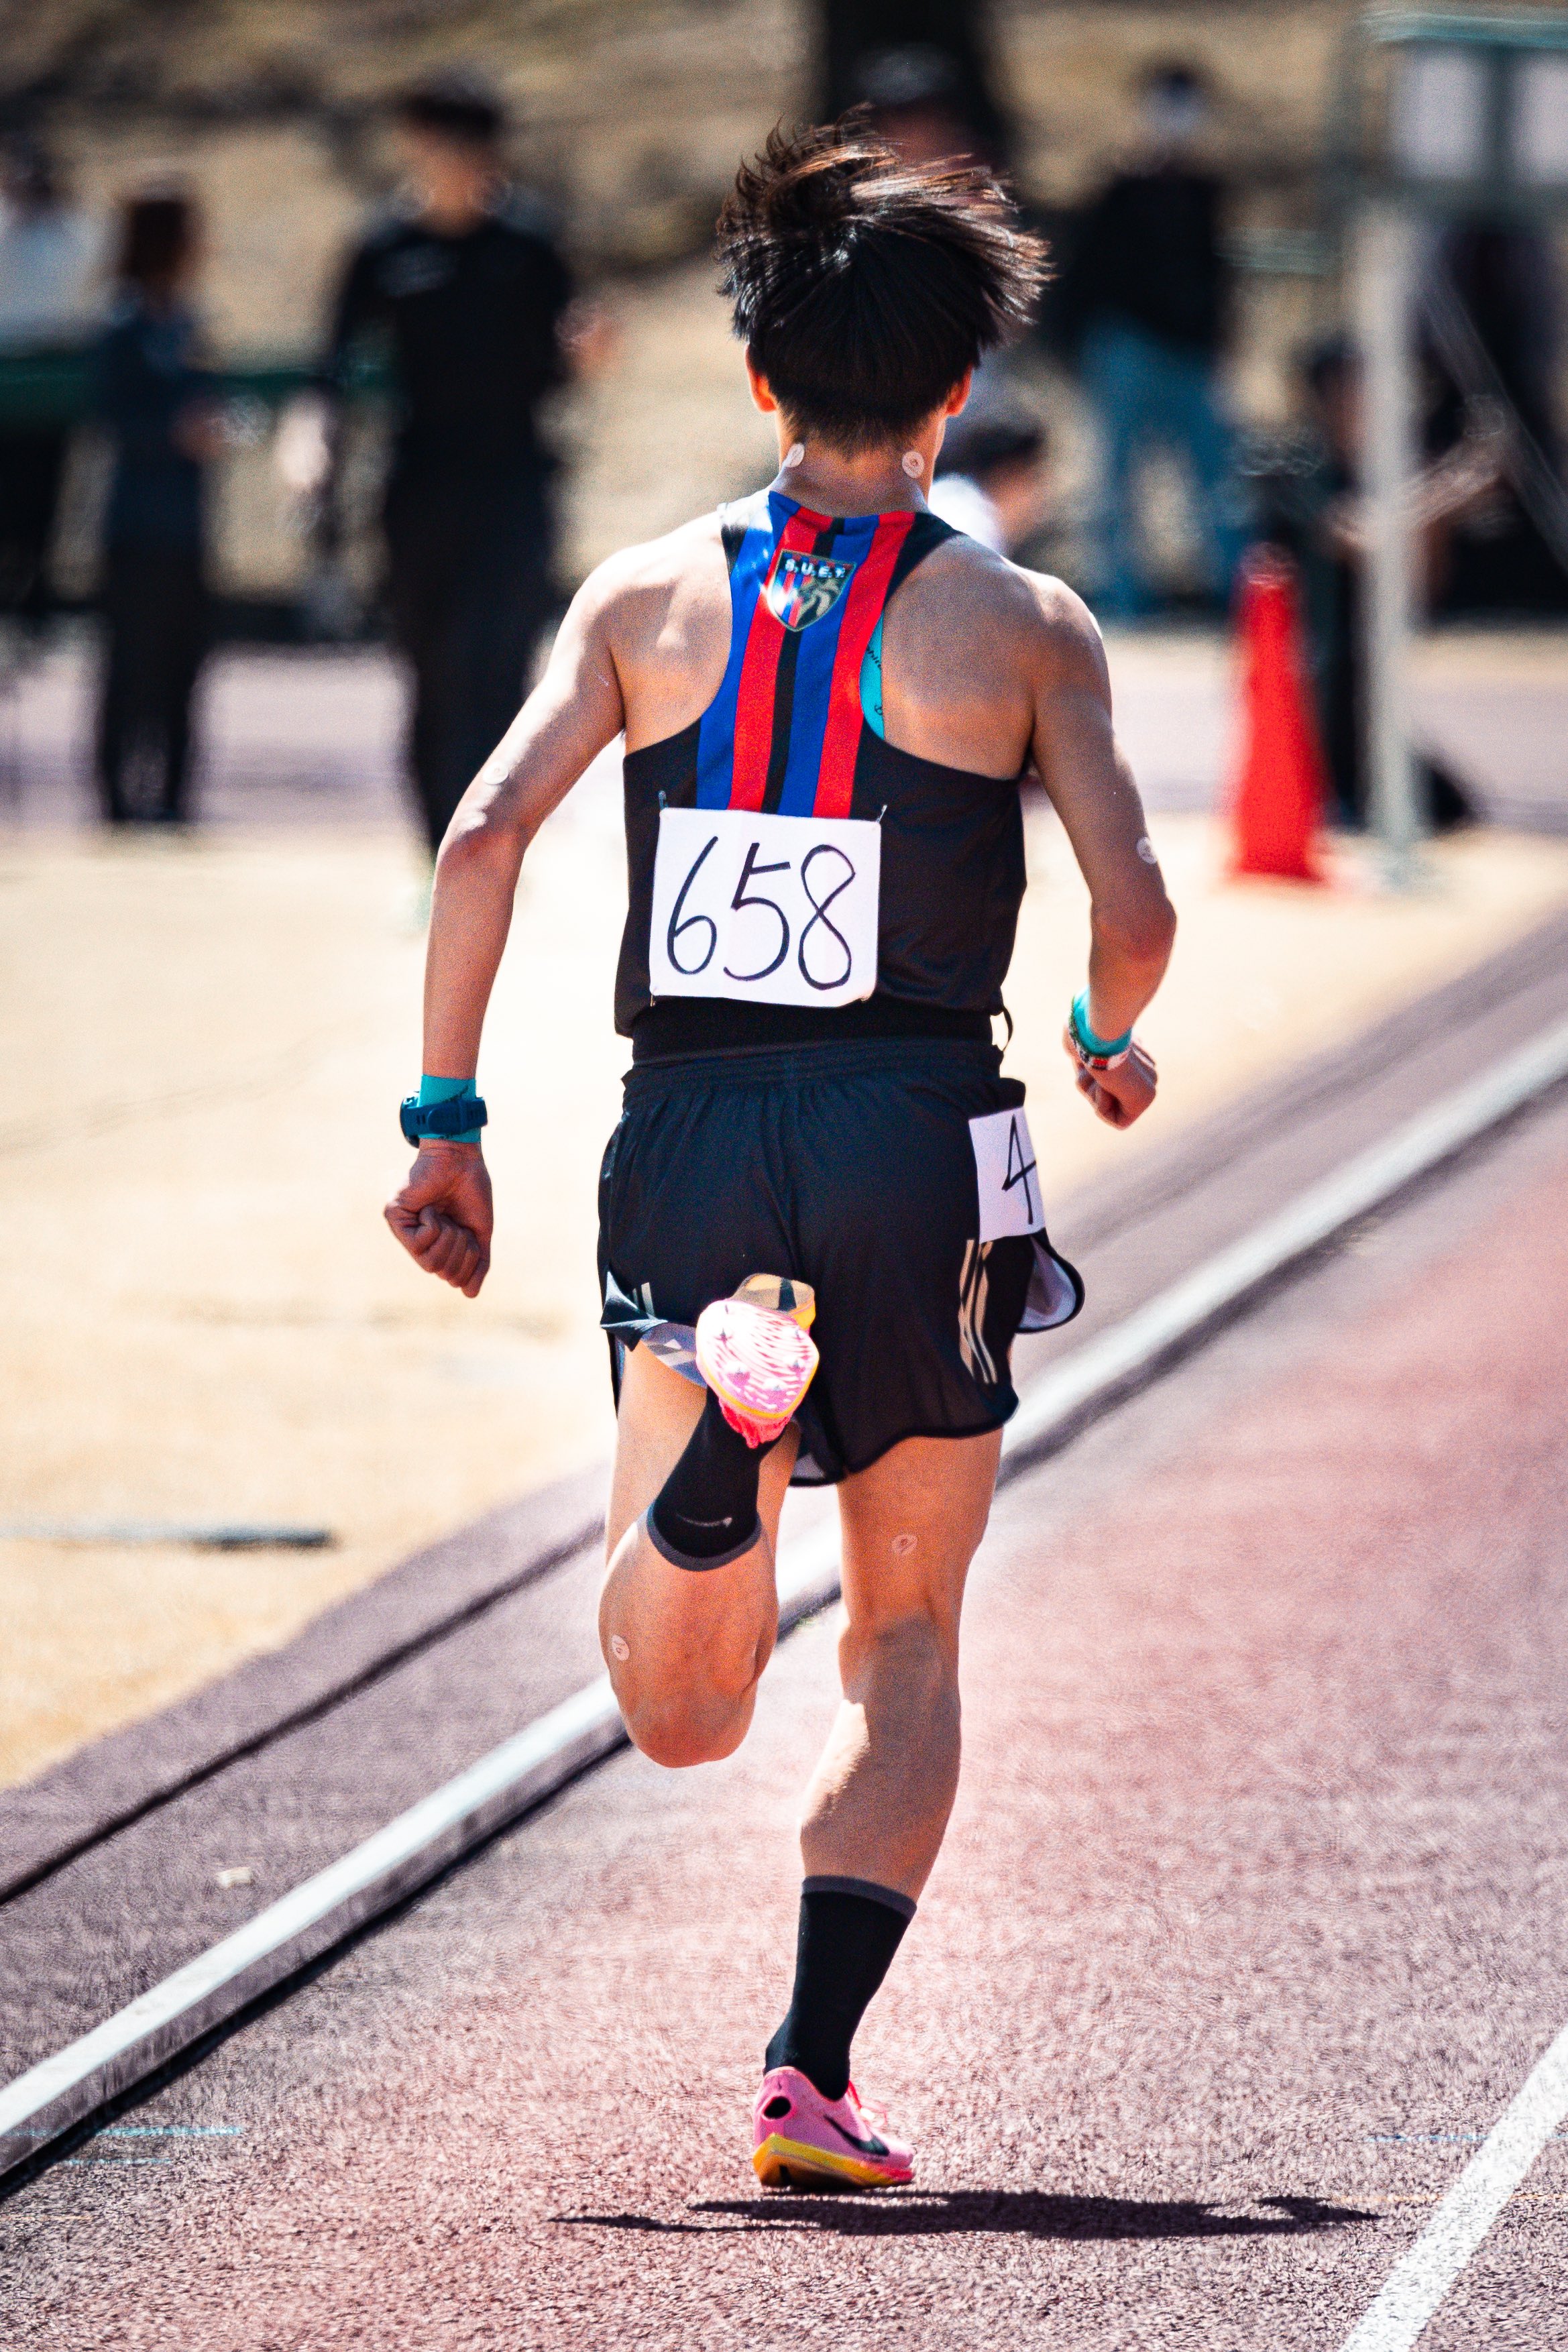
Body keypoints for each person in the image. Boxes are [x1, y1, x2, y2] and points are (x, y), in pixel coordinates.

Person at [384, 122, 1175, 2190]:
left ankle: (725, 1465)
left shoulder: (643, 595)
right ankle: (805, 2072)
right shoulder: (1021, 621)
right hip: (919, 1133)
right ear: (951, 394)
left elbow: (479, 836)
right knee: (900, 1630)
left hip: (694, 1137)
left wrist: (443, 1118)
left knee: (675, 1708)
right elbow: (1136, 904)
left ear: (756, 383)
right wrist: (1100, 1033)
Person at [302, 70, 579, 861]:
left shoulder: (529, 243)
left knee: (496, 666)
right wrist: (311, 443)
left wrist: (588, 354)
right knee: (430, 671)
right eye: (438, 141)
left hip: (516, 482)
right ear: (413, 144)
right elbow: (331, 369)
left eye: (471, 144)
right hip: (417, 487)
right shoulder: (383, 247)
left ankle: (491, 847)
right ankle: (436, 848)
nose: (455, 160)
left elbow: (566, 353)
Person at [1055, 62, 1246, 620]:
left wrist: (1222, 347)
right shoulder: (1118, 190)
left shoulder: (1207, 192)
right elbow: (1082, 277)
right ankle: (1121, 598)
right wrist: (1081, 354)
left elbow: (1218, 275)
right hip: (1128, 349)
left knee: (1219, 477)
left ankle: (1241, 594)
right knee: (1116, 481)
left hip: (1191, 354)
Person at [93, 183, 222, 826]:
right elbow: (114, 412)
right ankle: (117, 797)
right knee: (128, 665)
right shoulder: (123, 322)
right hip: (135, 525)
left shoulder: (191, 323)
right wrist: (172, 428)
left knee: (183, 664)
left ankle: (174, 796)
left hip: (187, 526)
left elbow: (216, 402)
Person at [0, 140, 103, 632]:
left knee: (48, 486)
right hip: (8, 368)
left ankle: (37, 590)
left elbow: (91, 273)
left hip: (57, 361)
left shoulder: (72, 231)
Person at [930, 406, 1049, 556]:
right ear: (1008, 475)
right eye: (1032, 478)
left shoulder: (949, 496)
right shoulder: (974, 528)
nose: (1037, 496)